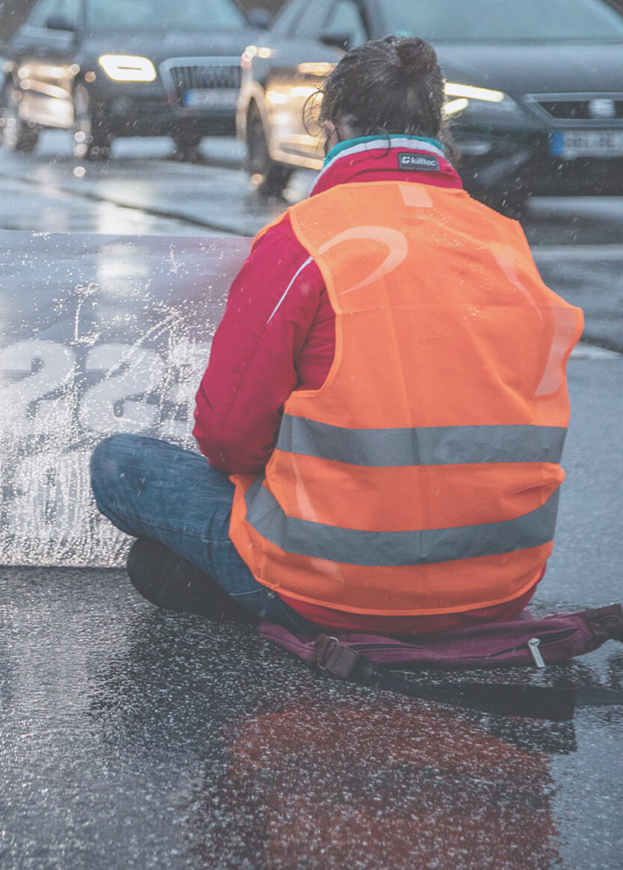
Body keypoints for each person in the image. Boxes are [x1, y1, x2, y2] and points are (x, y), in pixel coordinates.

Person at [91, 36, 580, 634]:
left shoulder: (304, 240)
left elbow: (228, 440)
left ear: (332, 127)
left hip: (342, 581)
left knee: (119, 466)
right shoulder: (504, 242)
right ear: (437, 127)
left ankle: (299, 599)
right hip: (500, 583)